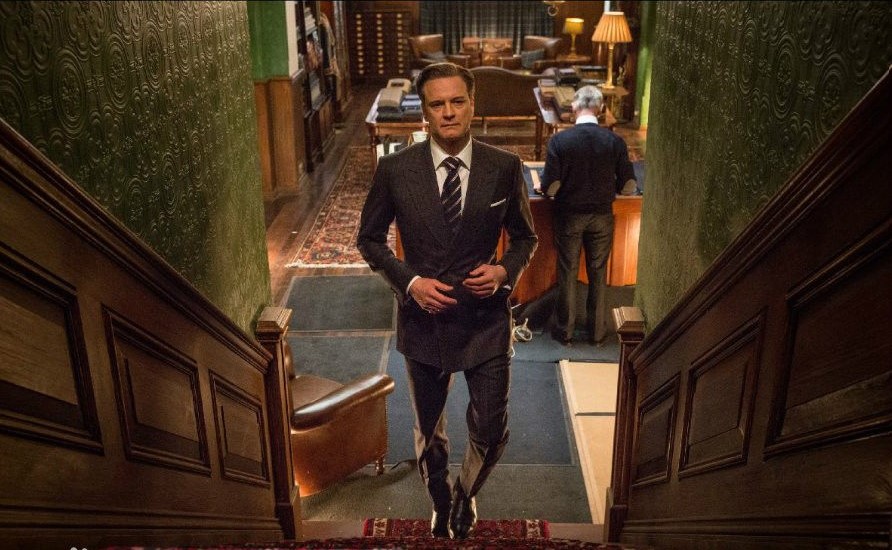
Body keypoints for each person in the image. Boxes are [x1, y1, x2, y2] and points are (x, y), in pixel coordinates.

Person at [357, 62, 537, 539]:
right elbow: (369, 240)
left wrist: (504, 271)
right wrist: (410, 282)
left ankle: (465, 492)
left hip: (486, 320)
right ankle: (440, 499)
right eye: (437, 104)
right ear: (425, 112)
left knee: (492, 428)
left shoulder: (505, 166)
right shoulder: (395, 170)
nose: (449, 112)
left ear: (472, 105)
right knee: (429, 429)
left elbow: (526, 237)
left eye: (457, 102)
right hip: (424, 321)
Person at [540, 85, 636, 346]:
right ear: (601, 108)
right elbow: (629, 185)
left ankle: (565, 332)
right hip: (602, 216)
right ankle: (597, 333)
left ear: (574, 107)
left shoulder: (560, 141)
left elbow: (551, 187)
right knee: (598, 273)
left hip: (570, 216)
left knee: (568, 271)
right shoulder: (615, 141)